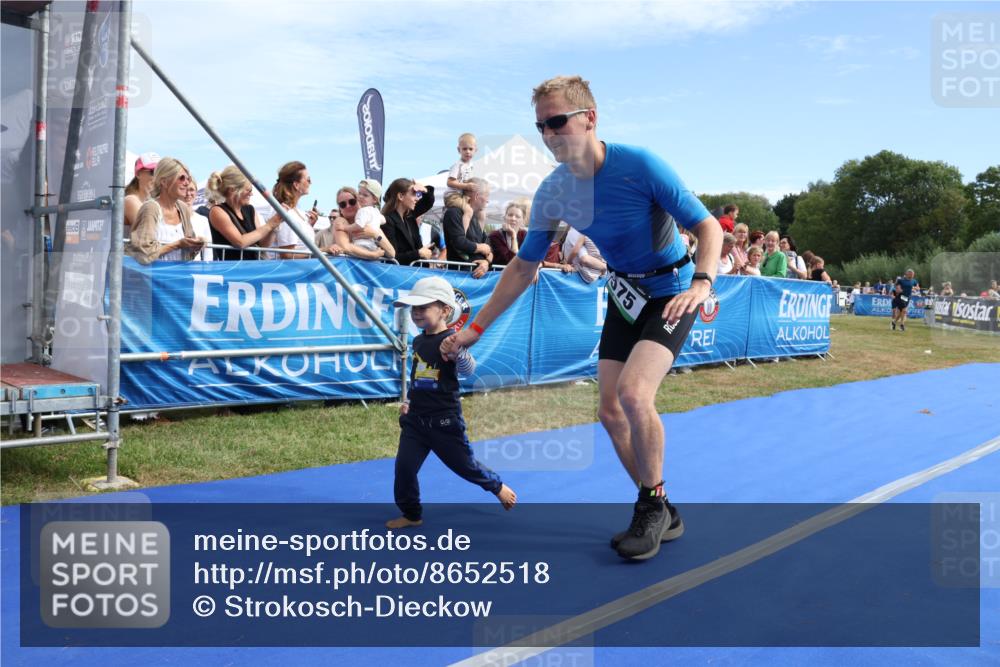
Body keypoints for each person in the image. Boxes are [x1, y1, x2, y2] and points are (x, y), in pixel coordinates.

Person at [441, 75, 722, 562]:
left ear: (589, 118)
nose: (549, 135)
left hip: (673, 292)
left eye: (557, 122)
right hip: (624, 292)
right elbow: (523, 268)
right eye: (540, 127)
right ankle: (657, 503)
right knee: (610, 412)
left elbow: (707, 226)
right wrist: (473, 329)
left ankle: (652, 505)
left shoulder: (641, 165)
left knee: (635, 394)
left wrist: (703, 282)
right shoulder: (553, 191)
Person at [387, 276, 517, 529]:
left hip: (444, 422)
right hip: (415, 422)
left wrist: (457, 351)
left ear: (445, 310)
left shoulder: (453, 340)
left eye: (423, 308)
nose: (416, 314)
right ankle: (412, 514)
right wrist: (409, 400)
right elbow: (418, 374)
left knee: (465, 465)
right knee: (404, 468)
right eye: (414, 309)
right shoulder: (419, 340)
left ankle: (496, 486)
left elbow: (469, 369)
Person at [125, 157, 205, 264]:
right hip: (153, 277)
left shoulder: (183, 208)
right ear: (164, 182)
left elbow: (189, 252)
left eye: (188, 179)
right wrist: (177, 244)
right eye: (181, 178)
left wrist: (195, 245)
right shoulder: (151, 207)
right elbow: (144, 253)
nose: (186, 183)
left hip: (176, 277)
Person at [206, 165, 280, 260]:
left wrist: (274, 227)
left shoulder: (250, 210)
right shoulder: (217, 211)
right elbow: (240, 242)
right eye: (248, 190)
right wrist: (269, 225)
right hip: (235, 271)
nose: (251, 194)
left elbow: (262, 244)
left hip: (253, 269)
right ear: (233, 190)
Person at [442, 178, 493, 278]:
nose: (488, 200)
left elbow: (488, 247)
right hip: (460, 275)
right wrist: (480, 247)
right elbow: (459, 242)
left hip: (476, 276)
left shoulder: (475, 217)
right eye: (487, 195)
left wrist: (486, 262)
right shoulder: (453, 213)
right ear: (477, 196)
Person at [269, 161, 319, 259]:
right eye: (308, 179)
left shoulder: (296, 210)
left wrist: (309, 225)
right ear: (296, 185)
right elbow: (287, 255)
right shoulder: (285, 211)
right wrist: (322, 251)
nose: (311, 182)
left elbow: (300, 244)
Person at [334, 180, 396, 260]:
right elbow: (345, 247)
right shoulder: (340, 222)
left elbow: (391, 253)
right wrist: (372, 255)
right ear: (340, 209)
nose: (348, 206)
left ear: (358, 201)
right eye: (343, 204)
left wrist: (375, 235)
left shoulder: (370, 223)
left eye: (352, 202)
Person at [382, 178, 436, 266]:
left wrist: (423, 189)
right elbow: (392, 257)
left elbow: (428, 201)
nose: (417, 198)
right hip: (400, 275)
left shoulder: (409, 217)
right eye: (413, 194)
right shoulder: (387, 221)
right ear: (401, 196)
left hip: (415, 272)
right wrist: (419, 253)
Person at [182, 172, 213, 261]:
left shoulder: (203, 220)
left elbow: (208, 253)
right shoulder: (171, 217)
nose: (188, 193)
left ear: (196, 192)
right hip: (174, 269)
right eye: (184, 189)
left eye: (191, 190)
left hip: (195, 269)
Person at [124, 152, 159, 229]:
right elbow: (147, 232)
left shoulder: (146, 201)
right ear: (138, 174)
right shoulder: (131, 200)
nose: (157, 177)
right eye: (153, 172)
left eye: (159, 173)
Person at [489, 201, 528, 266]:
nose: (513, 219)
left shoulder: (525, 235)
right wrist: (513, 236)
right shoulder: (495, 236)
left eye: (517, 216)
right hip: (499, 274)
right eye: (510, 215)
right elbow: (511, 262)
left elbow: (529, 258)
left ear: (523, 220)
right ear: (505, 217)